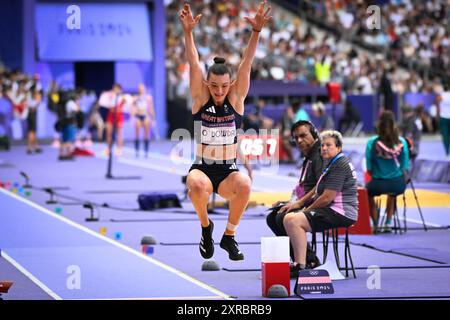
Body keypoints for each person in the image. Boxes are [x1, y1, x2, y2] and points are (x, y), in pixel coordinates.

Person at [180, 1, 272, 261]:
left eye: (223, 86)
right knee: (196, 186)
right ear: (208, 83)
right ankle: (206, 228)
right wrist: (188, 33)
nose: (219, 92)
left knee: (245, 183)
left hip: (227, 171)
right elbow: (193, 61)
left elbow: (247, 61)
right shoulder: (200, 97)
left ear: (230, 84)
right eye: (214, 86)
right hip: (203, 167)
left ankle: (229, 236)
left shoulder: (236, 100)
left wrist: (255, 33)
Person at [281, 130, 358, 276]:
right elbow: (318, 190)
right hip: (332, 209)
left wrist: (305, 210)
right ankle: (300, 263)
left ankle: (301, 265)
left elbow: (327, 198)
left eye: (328, 145)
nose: (324, 148)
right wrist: (299, 203)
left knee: (295, 220)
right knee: (289, 218)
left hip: (341, 212)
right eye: (322, 145)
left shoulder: (340, 164)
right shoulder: (330, 162)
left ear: (338, 148)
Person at [266, 120, 323, 272]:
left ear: (314, 134)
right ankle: (303, 258)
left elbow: (320, 187)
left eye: (303, 136)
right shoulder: (308, 156)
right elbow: (302, 186)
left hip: (318, 204)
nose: (299, 140)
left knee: (282, 217)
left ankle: (307, 261)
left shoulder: (319, 155)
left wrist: (298, 204)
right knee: (273, 217)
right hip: (305, 201)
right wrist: (289, 201)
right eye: (296, 137)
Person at [365, 111, 409, 233]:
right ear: (394, 125)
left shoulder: (372, 142)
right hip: (397, 183)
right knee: (392, 193)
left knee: (367, 193)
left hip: (377, 183)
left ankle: (375, 223)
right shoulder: (402, 142)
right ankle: (388, 222)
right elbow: (405, 166)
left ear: (379, 125)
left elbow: (369, 168)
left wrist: (379, 174)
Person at [132, 84, 155, 157]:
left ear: (144, 89)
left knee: (146, 134)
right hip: (138, 116)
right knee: (137, 134)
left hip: (145, 115)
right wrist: (133, 116)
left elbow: (151, 108)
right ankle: (137, 151)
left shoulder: (148, 97)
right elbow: (133, 108)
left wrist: (153, 118)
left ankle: (146, 151)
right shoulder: (135, 97)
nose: (141, 90)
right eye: (140, 88)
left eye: (142, 88)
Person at [25, 88, 42, 154]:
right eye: (37, 94)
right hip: (32, 115)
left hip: (31, 115)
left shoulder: (29, 99)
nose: (38, 95)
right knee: (31, 131)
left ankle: (35, 146)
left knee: (33, 131)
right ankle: (29, 147)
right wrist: (38, 98)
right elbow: (34, 106)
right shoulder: (32, 100)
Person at [436, 84, 450, 159]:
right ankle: (447, 151)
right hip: (445, 117)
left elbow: (438, 106)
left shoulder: (440, 96)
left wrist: (437, 115)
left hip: (443, 117)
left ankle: (447, 152)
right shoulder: (441, 96)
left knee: (445, 135)